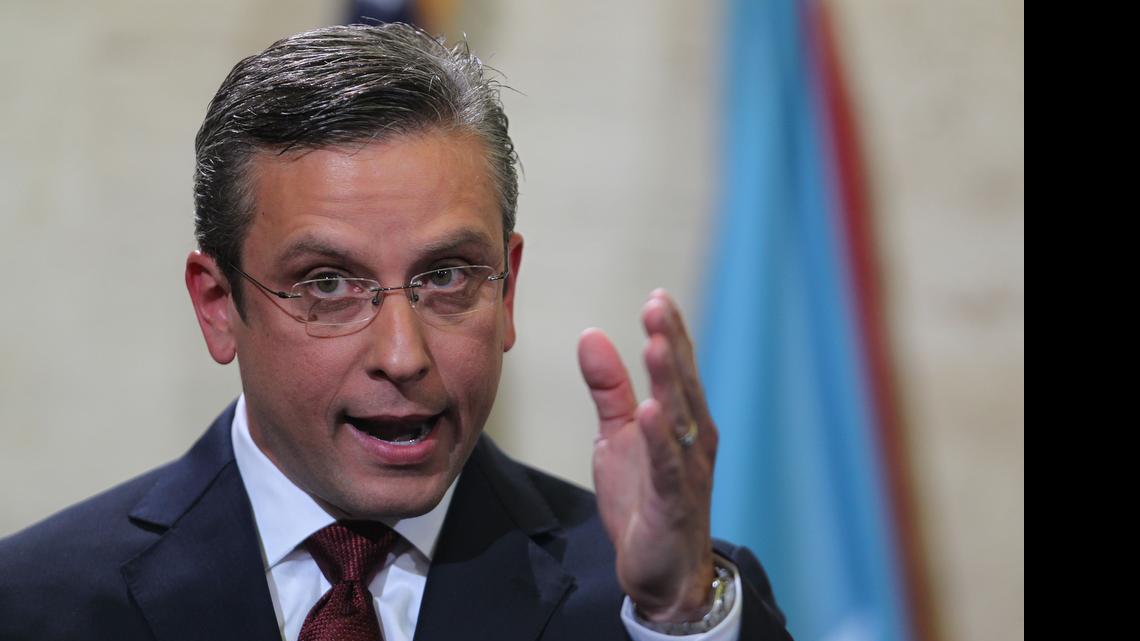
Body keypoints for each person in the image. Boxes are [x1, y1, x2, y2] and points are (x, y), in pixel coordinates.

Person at [0, 23, 792, 641]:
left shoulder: (656, 598)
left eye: (447, 276)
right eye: (329, 285)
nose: (404, 356)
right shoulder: (35, 601)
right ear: (217, 304)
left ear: (507, 288)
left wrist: (679, 614)